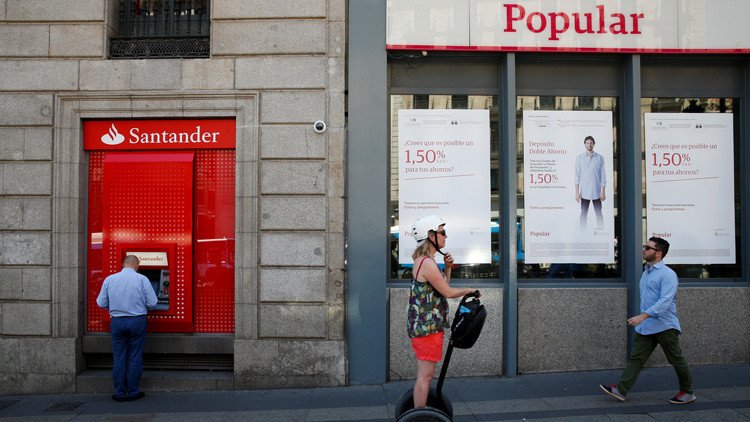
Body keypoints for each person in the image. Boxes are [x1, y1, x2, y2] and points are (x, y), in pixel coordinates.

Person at [599, 237, 696, 404]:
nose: (644, 249)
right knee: (636, 358)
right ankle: (621, 390)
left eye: (648, 247)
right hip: (647, 326)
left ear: (658, 253)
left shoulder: (668, 274)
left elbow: (665, 301)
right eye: (645, 246)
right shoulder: (646, 272)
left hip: (665, 326)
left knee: (676, 359)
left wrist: (642, 316)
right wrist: (644, 319)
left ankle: (687, 392)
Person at [407, 215, 478, 408]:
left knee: (426, 375)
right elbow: (447, 292)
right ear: (430, 236)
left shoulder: (425, 261)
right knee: (425, 376)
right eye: (442, 232)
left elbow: (442, 287)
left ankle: (419, 412)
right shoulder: (427, 263)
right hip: (427, 328)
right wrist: (469, 290)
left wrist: (447, 269)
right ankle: (419, 416)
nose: (445, 237)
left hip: (427, 327)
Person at [97, 255, 158, 402]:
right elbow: (153, 302)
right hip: (137, 321)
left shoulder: (110, 279)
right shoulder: (142, 279)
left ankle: (119, 393)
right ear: (137, 265)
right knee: (135, 357)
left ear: (123, 264)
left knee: (119, 358)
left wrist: (115, 308)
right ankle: (133, 392)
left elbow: (101, 302)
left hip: (117, 321)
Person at [575, 135, 606, 229]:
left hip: (596, 192)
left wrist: (603, 192)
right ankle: (582, 233)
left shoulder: (600, 158)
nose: (589, 145)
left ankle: (601, 232)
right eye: (587, 143)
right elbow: (577, 176)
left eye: (591, 143)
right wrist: (577, 193)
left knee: (599, 214)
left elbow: (603, 175)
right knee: (583, 214)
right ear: (585, 144)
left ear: (594, 144)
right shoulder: (579, 158)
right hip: (584, 192)